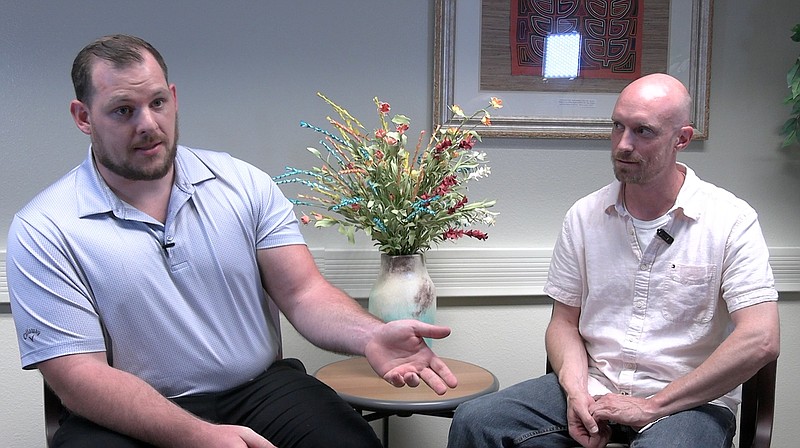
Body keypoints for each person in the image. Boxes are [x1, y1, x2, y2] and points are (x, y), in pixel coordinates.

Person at [7, 34, 458, 448]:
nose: (148, 124)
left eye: (158, 102)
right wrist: (201, 436)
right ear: (83, 117)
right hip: (125, 415)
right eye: (123, 110)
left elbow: (304, 293)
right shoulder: (45, 228)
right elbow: (79, 377)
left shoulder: (243, 184)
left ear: (174, 98)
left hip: (258, 391)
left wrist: (372, 335)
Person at [447, 73, 780, 448]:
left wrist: (652, 406)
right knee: (477, 420)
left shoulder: (730, 219)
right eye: (617, 126)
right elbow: (563, 324)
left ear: (681, 139)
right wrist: (576, 393)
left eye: (643, 132)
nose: (623, 144)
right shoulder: (584, 215)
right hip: (595, 387)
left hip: (687, 403)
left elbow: (761, 338)